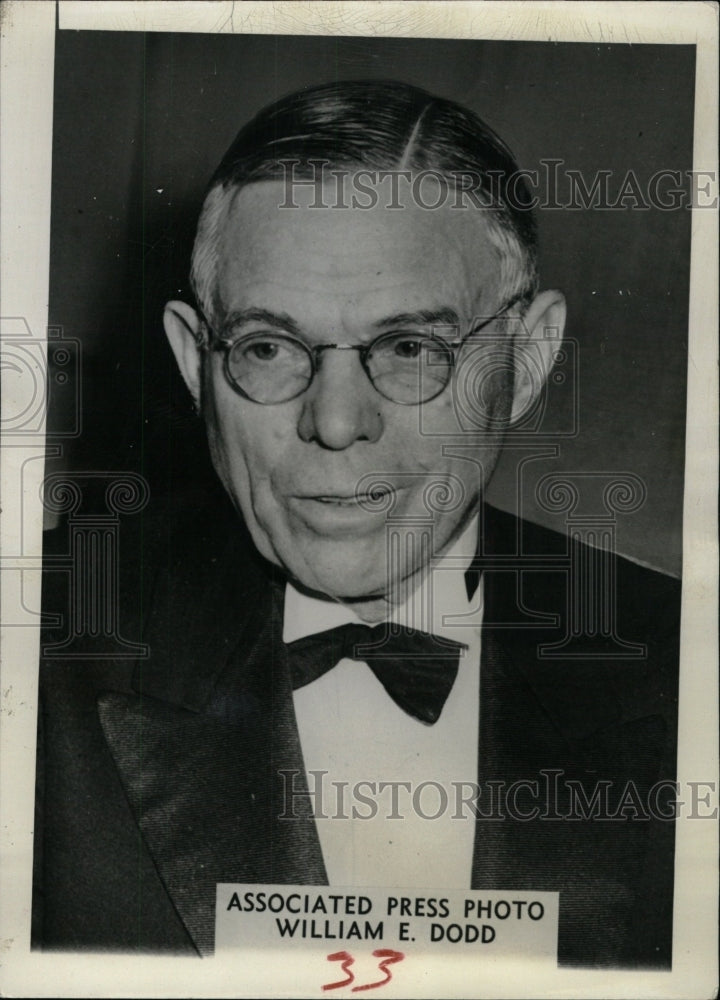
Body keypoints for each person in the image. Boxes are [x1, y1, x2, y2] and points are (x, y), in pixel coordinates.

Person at [32, 81, 680, 968]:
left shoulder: (686, 665)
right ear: (194, 360)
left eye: (411, 349)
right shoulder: (38, 643)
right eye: (267, 347)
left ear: (526, 362)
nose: (336, 423)